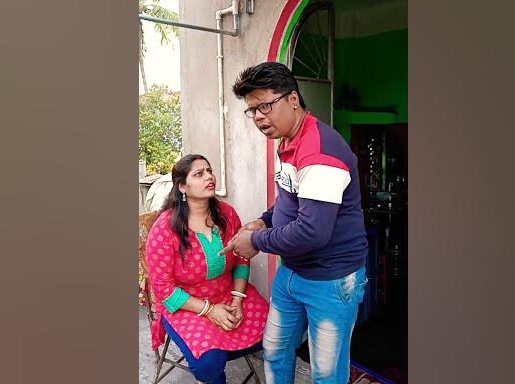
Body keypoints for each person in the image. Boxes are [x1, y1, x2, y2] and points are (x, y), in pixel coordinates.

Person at [220, 62, 369, 384]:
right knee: (275, 352)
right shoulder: (288, 141)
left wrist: (255, 241)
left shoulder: (320, 152)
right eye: (252, 110)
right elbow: (291, 198)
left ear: (292, 99)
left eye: (265, 106)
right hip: (292, 273)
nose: (259, 117)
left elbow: (312, 231)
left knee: (326, 375)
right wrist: (263, 221)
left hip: (330, 280)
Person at [145, 154, 269, 384]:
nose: (209, 177)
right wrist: (210, 310)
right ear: (182, 186)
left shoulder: (227, 214)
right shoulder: (165, 229)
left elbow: (241, 258)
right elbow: (164, 289)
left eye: (209, 171)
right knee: (209, 363)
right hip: (186, 304)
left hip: (229, 293)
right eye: (199, 174)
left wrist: (237, 300)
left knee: (277, 334)